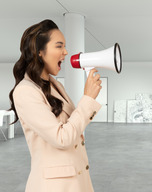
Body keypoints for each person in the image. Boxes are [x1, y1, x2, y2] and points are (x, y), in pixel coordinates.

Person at [8, 19, 102, 192]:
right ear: (39, 52)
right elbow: (62, 138)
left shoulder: (55, 85)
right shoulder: (25, 91)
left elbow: (74, 125)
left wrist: (88, 99)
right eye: (59, 46)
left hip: (75, 183)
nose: (66, 52)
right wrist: (87, 99)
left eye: (65, 46)